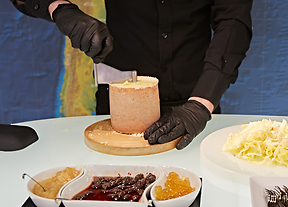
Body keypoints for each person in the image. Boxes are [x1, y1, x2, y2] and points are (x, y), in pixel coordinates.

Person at [10, 0, 253, 150]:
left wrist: (200, 105)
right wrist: (60, 9)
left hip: (197, 102)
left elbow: (234, 20)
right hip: (118, 106)